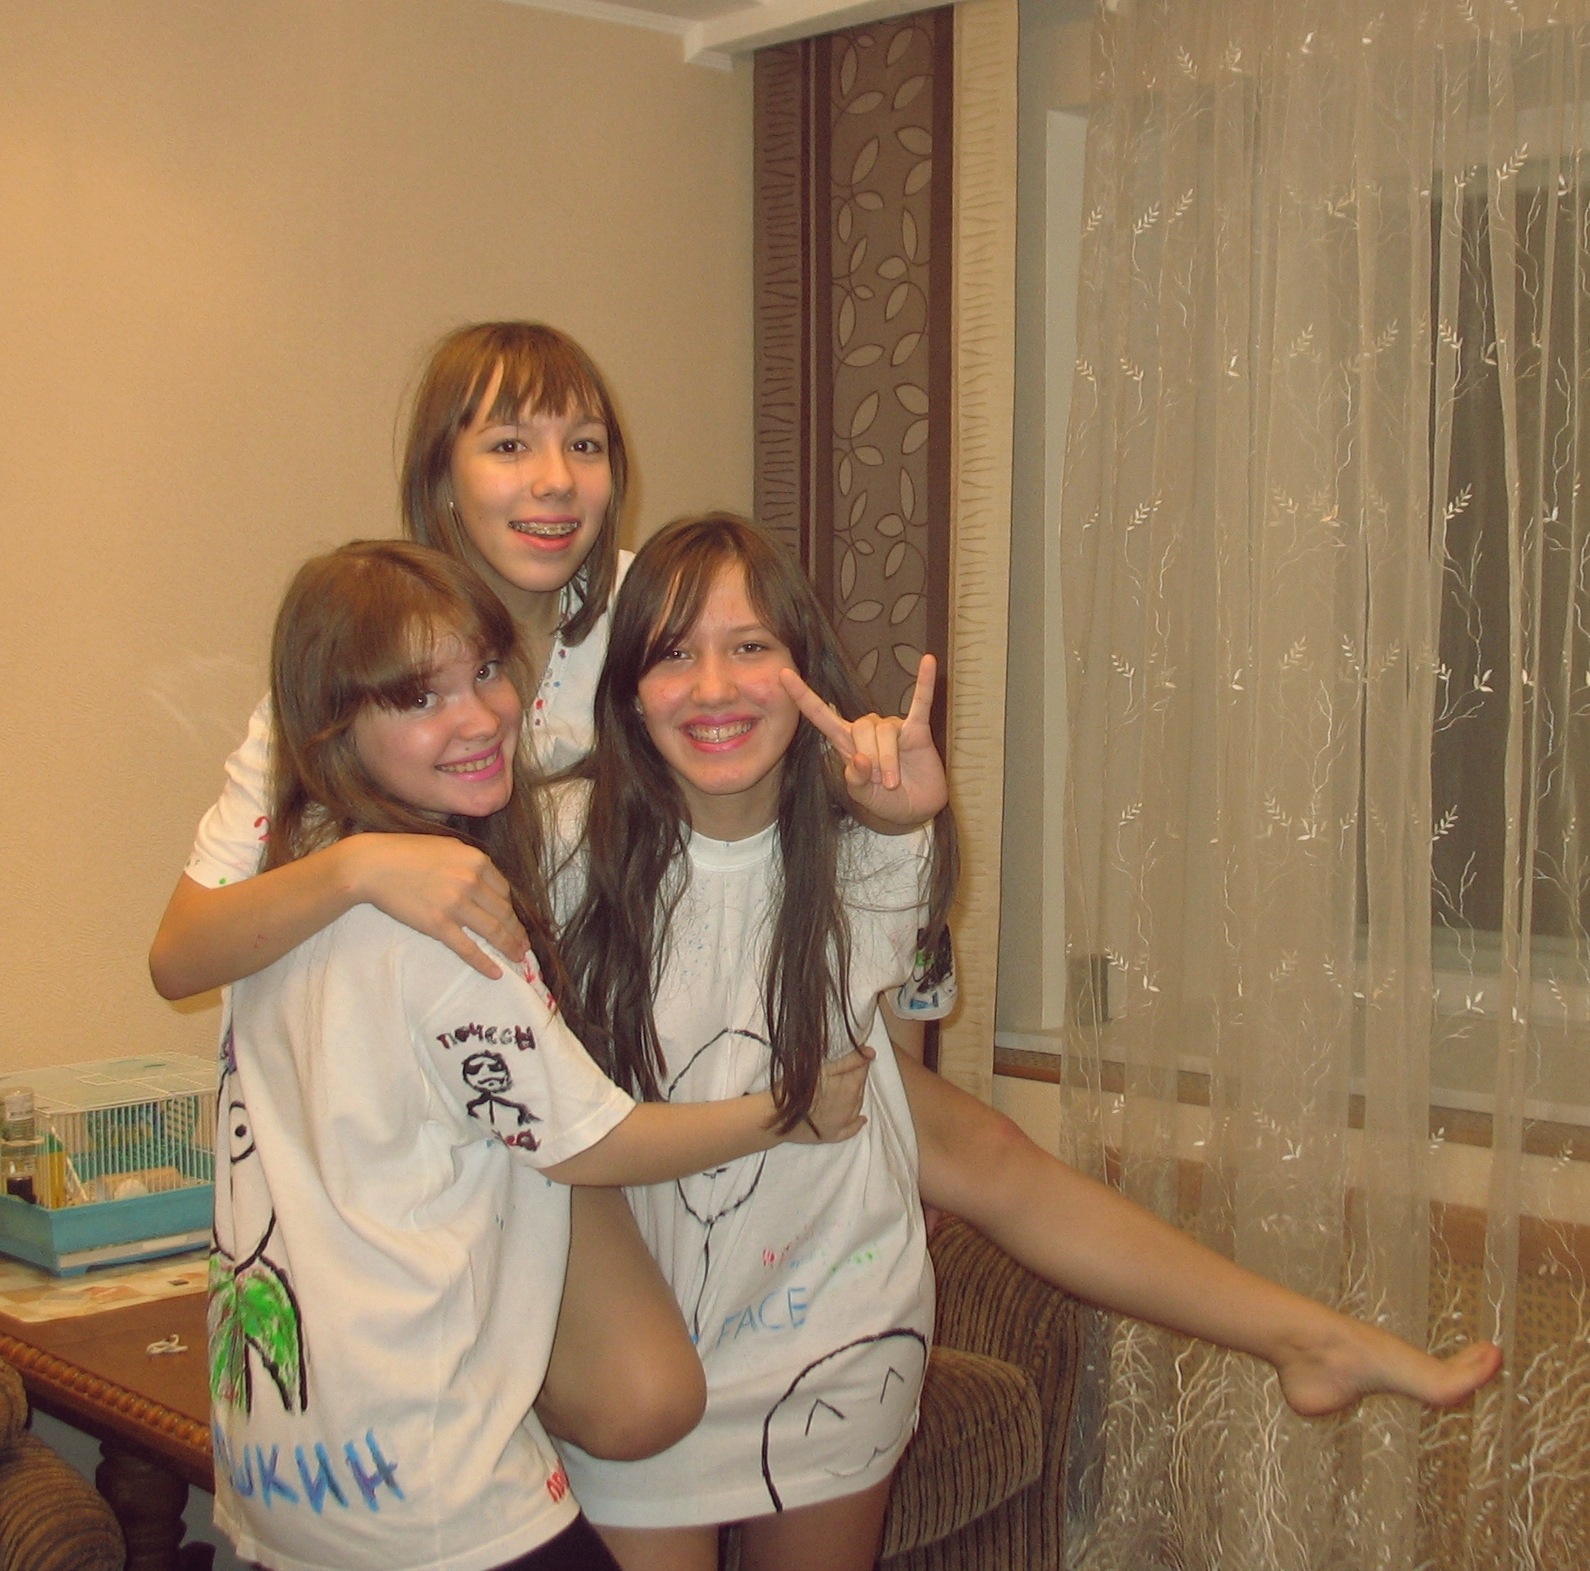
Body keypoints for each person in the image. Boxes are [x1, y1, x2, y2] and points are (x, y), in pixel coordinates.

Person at [545, 513, 1503, 1571]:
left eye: (751, 646)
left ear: (806, 666)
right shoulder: (564, 849)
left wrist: (903, 820)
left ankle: (1311, 1335)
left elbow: (898, 983)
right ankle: (1308, 1336)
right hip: (647, 1350)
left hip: (836, 1336)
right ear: (626, 689)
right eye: (673, 654)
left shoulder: (863, 848)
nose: (715, 686)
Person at [210, 538, 872, 1571]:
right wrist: (787, 1111)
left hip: (277, 1475)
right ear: (333, 728)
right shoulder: (450, 925)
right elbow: (589, 1140)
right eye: (419, 698)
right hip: (437, 1485)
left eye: (485, 670)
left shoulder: (281, 890)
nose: (479, 716)